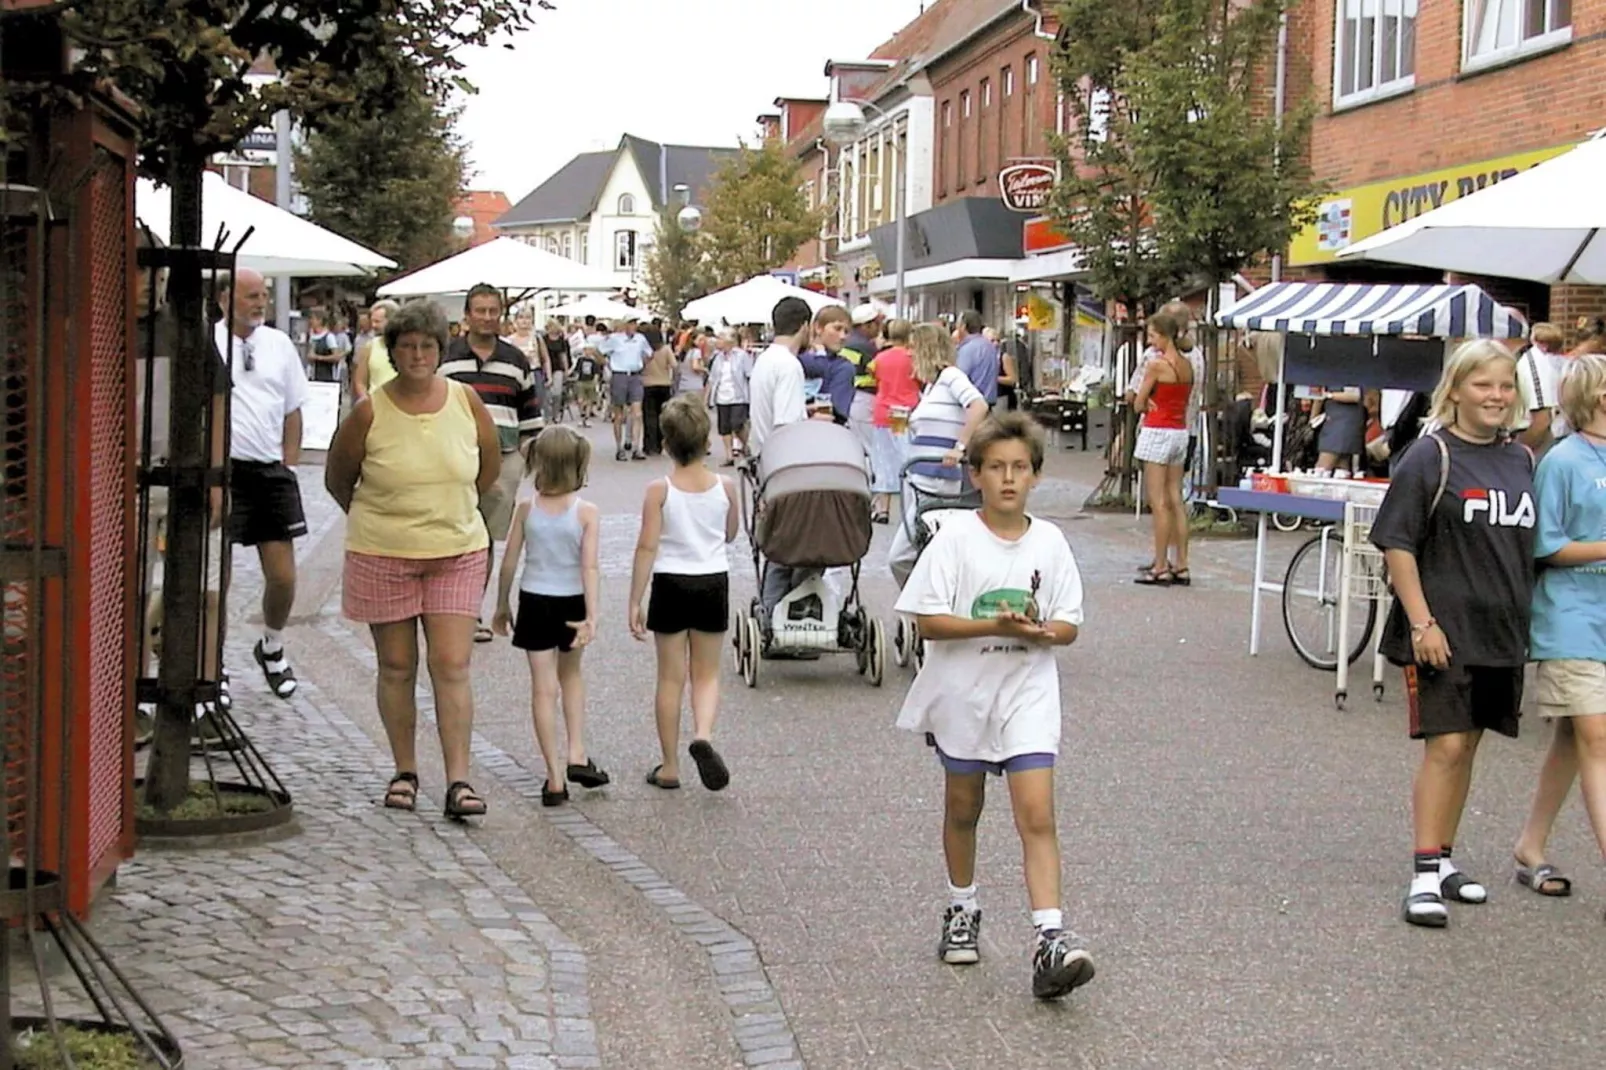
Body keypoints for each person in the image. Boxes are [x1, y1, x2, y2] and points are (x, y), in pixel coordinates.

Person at [894, 412, 1093, 1000]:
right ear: (975, 474)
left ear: (1035, 476)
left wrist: (1044, 633)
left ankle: (1049, 938)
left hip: (1027, 690)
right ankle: (962, 906)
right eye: (997, 468)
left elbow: (1068, 622)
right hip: (964, 693)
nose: (1009, 478)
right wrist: (988, 623)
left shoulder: (1050, 541)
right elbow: (926, 620)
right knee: (964, 806)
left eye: (1021, 468)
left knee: (1037, 813)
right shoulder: (955, 536)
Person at [1370, 339, 1536, 928]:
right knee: (1444, 746)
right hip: (1441, 630)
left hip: (1500, 629)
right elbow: (1396, 543)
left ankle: (1442, 859)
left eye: (1506, 386)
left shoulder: (1520, 460)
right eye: (1484, 385)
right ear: (1457, 390)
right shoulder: (1429, 456)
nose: (1496, 397)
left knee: (1468, 746)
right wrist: (1422, 621)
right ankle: (1421, 876)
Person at [324, 300, 501, 820]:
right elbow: (339, 478)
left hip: (456, 550)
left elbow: (486, 472)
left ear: (439, 349)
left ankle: (459, 780)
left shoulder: (467, 403)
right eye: (407, 346)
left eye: (427, 345)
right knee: (397, 666)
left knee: (452, 664)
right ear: (393, 351)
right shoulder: (369, 412)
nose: (418, 355)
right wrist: (381, 517)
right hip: (384, 551)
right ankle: (405, 769)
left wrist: (449, 508)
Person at [1511, 350, 1606, 903]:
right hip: (1571, 612)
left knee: (1575, 737)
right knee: (1597, 735)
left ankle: (1531, 843)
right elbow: (1544, 544)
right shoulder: (1563, 461)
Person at [493, 425, 609, 808]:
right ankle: (577, 751)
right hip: (571, 601)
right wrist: (592, 615)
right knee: (571, 675)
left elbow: (510, 560)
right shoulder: (586, 512)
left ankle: (554, 777)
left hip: (534, 600)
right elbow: (589, 567)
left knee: (543, 689)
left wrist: (501, 604)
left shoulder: (526, 508)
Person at [627, 395, 737, 793]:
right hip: (712, 579)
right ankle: (703, 734)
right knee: (706, 673)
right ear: (706, 439)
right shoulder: (725, 485)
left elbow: (646, 546)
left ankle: (670, 766)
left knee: (670, 678)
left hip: (671, 582)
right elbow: (730, 533)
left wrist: (634, 599)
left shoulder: (660, 489)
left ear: (667, 442)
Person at [215, 267, 309, 700]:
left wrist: (288, 461)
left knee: (283, 576)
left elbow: (293, 408)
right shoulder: (210, 341)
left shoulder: (279, 345)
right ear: (224, 299)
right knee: (217, 577)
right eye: (250, 295)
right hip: (224, 469)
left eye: (264, 296)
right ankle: (211, 662)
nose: (259, 303)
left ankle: (271, 644)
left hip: (269, 470)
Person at [439, 283, 544, 643]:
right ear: (466, 315)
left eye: (492, 311)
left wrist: (527, 465)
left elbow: (531, 417)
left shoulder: (516, 360)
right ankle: (445, 609)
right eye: (479, 310)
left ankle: (472, 612)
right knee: (448, 536)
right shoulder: (446, 357)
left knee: (483, 540)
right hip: (451, 461)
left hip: (502, 461)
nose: (486, 317)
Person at [887, 324, 991, 588]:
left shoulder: (950, 376)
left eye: (912, 348)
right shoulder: (932, 387)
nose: (908, 354)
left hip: (938, 477)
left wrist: (960, 446)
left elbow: (978, 405)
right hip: (919, 476)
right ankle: (928, 605)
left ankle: (922, 605)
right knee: (921, 548)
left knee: (901, 555)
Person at [748, 296, 826, 624]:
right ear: (805, 326)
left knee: (781, 544)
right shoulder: (790, 366)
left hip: (765, 459)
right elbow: (786, 426)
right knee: (806, 542)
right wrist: (815, 425)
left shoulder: (766, 360)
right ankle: (785, 614)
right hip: (785, 466)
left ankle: (773, 613)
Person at [1132, 309, 1196, 587]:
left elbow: (1137, 401)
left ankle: (1160, 566)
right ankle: (1182, 564)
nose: (1150, 341)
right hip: (1179, 431)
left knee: (1158, 502)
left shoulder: (1157, 365)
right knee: (1176, 499)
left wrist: (1145, 404)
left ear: (1164, 335)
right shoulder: (1186, 364)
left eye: (1153, 335)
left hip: (1157, 430)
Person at [869, 318, 919, 524]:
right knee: (907, 459)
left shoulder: (879, 359)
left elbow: (874, 378)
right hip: (908, 412)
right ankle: (910, 507)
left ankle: (882, 508)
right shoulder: (914, 358)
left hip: (883, 412)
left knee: (883, 460)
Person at [1515, 321, 1570, 450]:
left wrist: (1518, 452)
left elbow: (1542, 418)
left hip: (1546, 440)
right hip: (1562, 436)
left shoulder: (1535, 364)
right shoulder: (1561, 362)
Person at [604, 317, 653, 461]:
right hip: (619, 374)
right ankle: (619, 447)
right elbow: (598, 351)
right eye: (631, 323)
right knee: (619, 414)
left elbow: (649, 353)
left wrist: (642, 364)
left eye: (635, 323)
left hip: (635, 375)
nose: (634, 326)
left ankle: (636, 447)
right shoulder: (615, 339)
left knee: (637, 413)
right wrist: (608, 365)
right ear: (625, 325)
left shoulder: (640, 338)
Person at [799, 305, 856, 425]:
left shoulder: (843, 367)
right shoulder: (794, 357)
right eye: (837, 328)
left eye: (846, 331)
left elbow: (836, 413)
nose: (842, 336)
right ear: (818, 327)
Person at [705, 329, 752, 467]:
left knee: (737, 424)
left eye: (720, 338)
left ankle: (746, 445)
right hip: (722, 396)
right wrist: (707, 398)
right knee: (724, 427)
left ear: (728, 341)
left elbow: (749, 375)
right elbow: (712, 379)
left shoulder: (741, 356)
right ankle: (729, 455)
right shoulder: (717, 357)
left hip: (738, 396)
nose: (717, 342)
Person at [844, 304, 884, 454]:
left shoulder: (848, 342)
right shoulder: (866, 348)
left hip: (851, 398)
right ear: (866, 325)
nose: (879, 328)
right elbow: (878, 372)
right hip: (865, 399)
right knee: (870, 448)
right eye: (876, 324)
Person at [351, 299, 400, 401]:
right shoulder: (370, 346)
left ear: (392, 320)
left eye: (377, 322)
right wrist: (365, 400)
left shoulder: (406, 346)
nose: (373, 325)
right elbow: (360, 381)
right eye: (372, 321)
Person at [954, 310, 1001, 407]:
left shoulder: (967, 349)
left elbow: (958, 378)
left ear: (963, 326)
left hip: (972, 405)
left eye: (958, 324)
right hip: (989, 403)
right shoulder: (989, 346)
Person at [641, 332, 678, 456]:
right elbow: (674, 365)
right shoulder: (666, 349)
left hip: (648, 384)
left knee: (649, 416)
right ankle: (660, 443)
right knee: (662, 416)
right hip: (664, 384)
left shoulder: (644, 350)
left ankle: (649, 445)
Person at [573, 329, 603, 427]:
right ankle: (583, 413)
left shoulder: (594, 361)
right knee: (581, 399)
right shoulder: (580, 360)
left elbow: (596, 372)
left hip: (590, 381)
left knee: (590, 399)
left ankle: (587, 416)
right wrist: (574, 377)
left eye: (589, 350)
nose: (587, 352)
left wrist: (595, 381)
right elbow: (577, 370)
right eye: (586, 350)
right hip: (581, 381)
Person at [544, 319, 571, 422]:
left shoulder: (561, 341)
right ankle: (548, 415)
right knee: (547, 394)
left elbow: (563, 355)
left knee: (557, 392)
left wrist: (566, 369)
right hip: (545, 368)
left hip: (558, 368)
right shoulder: (544, 339)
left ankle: (556, 414)